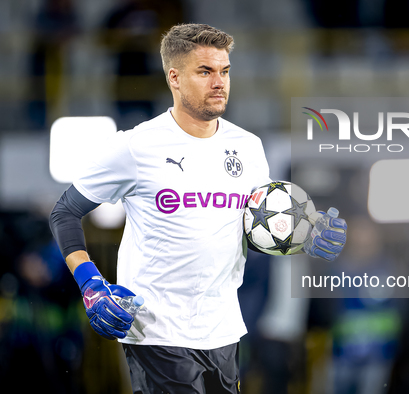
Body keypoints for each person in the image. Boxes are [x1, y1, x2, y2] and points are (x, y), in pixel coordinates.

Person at [49, 23, 347, 394]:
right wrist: (90, 283)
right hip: (156, 331)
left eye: (224, 71)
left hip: (223, 330)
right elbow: (64, 212)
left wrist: (303, 237)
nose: (219, 82)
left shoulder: (249, 148)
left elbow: (248, 233)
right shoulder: (136, 147)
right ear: (174, 77)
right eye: (205, 72)